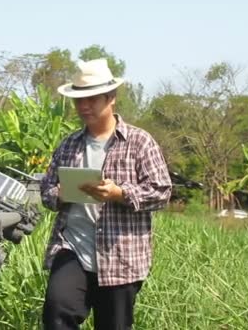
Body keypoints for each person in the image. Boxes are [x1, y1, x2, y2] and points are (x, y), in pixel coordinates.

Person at [40, 59, 172, 330]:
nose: (84, 107)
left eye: (91, 99)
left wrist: (119, 193)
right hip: (73, 248)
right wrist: (61, 194)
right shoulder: (69, 145)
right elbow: (46, 190)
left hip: (120, 257)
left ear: (111, 98)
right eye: (79, 101)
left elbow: (162, 191)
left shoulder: (139, 142)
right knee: (57, 312)